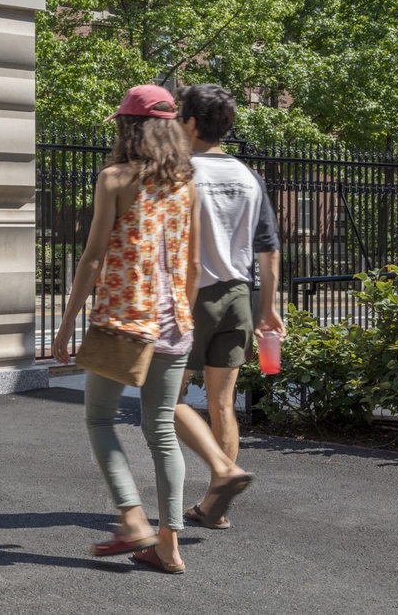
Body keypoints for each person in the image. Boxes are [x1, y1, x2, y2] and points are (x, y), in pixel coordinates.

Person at [51, 84, 201, 574]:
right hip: (175, 323)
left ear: (128, 127)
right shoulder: (186, 183)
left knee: (99, 420)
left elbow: (93, 259)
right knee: (160, 430)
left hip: (124, 321)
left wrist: (67, 324)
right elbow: (194, 266)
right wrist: (183, 317)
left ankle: (133, 518)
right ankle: (169, 544)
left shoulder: (115, 178)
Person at [172, 84, 282, 529]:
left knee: (162, 400)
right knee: (222, 405)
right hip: (238, 295)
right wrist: (267, 309)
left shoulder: (179, 172)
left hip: (190, 296)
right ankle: (216, 508)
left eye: (180, 117)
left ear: (192, 124)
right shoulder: (247, 176)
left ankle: (222, 469)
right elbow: (269, 250)